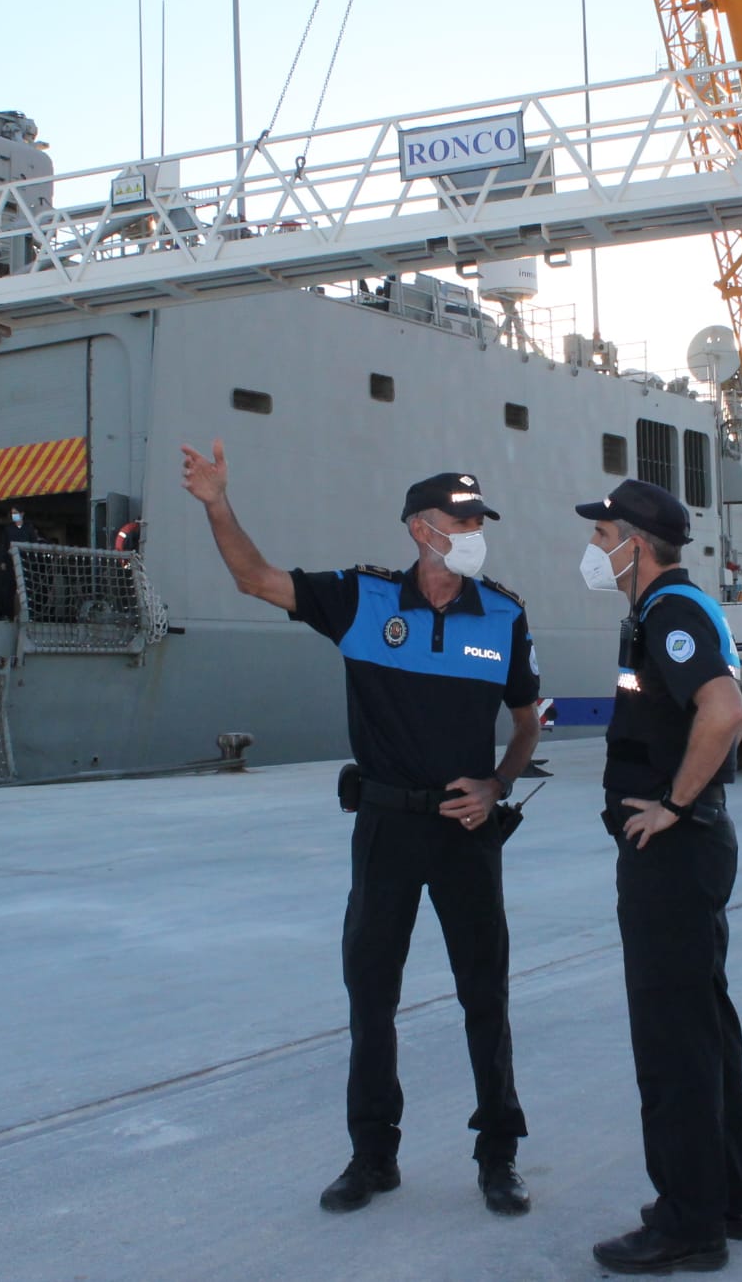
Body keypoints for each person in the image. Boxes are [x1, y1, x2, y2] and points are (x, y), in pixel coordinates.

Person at [181, 441, 540, 1219]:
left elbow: (525, 721)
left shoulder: (504, 614)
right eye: (460, 516)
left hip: (466, 831)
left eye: (480, 517)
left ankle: (499, 1155)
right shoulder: (361, 600)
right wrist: (216, 502)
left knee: (486, 993)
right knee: (371, 995)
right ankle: (372, 1153)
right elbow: (254, 577)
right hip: (385, 827)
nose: (474, 528)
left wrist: (498, 783)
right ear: (420, 527)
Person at [575, 478, 742, 1275]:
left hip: (675, 855)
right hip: (693, 850)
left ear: (636, 543)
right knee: (705, 1025)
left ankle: (689, 1223)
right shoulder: (670, 610)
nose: (593, 546)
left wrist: (674, 806)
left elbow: (725, 711)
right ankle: (726, 1196)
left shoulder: (669, 615)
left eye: (602, 532)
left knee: (672, 1039)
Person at [2, 506, 41, 619]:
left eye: (16, 513)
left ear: (22, 514)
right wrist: (3, 561)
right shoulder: (8, 529)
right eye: (12, 513)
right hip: (11, 562)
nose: (14, 515)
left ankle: (29, 615)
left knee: (27, 588)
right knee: (9, 588)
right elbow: (4, 545)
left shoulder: (28, 528)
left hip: (25, 562)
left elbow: (34, 545)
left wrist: (32, 560)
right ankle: (8, 614)